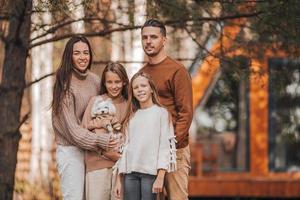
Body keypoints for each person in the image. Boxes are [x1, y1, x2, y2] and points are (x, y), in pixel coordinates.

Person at [51, 36, 117, 200]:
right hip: (71, 151)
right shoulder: (64, 84)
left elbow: (105, 110)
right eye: (77, 53)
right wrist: (103, 140)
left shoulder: (95, 80)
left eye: (86, 53)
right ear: (69, 56)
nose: (83, 57)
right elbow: (73, 131)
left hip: (92, 151)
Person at [140, 19, 193, 200]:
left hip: (174, 151)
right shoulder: (141, 74)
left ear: (164, 40)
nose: (148, 41)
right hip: (148, 152)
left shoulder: (177, 71)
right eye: (144, 37)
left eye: (153, 37)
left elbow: (185, 114)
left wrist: (169, 148)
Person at [114, 71, 177, 200]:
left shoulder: (161, 113)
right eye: (135, 87)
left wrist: (160, 176)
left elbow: (164, 147)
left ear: (151, 89)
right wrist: (118, 180)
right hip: (130, 174)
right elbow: (124, 150)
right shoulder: (131, 117)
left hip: (150, 174)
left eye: (143, 86)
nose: (140, 90)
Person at [82, 62, 129, 200]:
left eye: (117, 82)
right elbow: (84, 133)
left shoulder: (128, 104)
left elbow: (129, 135)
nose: (114, 86)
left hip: (120, 168)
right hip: (97, 166)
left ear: (124, 82)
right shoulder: (96, 102)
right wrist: (105, 152)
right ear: (104, 82)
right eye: (109, 82)